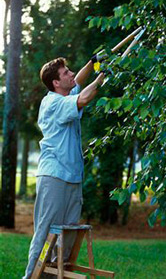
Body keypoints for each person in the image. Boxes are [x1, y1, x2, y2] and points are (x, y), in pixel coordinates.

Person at [23, 56, 105, 279]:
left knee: (68, 236)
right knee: (45, 232)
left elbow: (78, 83)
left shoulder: (65, 93)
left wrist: (93, 62)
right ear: (56, 83)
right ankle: (31, 276)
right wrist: (104, 75)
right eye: (66, 73)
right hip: (54, 176)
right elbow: (85, 97)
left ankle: (53, 277)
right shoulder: (53, 103)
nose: (71, 74)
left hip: (72, 177)